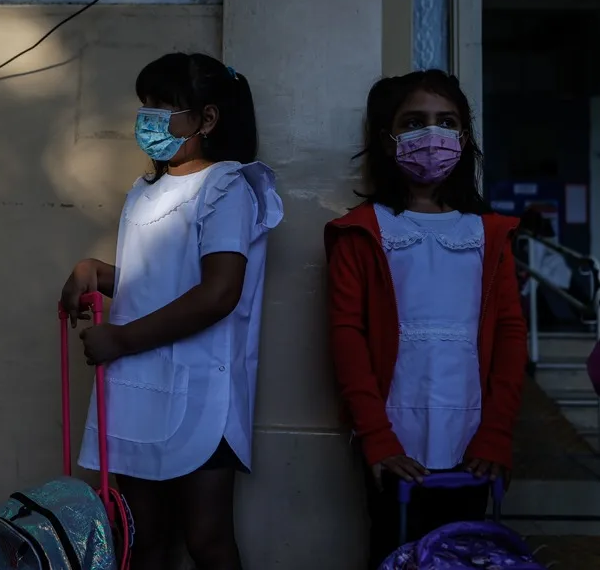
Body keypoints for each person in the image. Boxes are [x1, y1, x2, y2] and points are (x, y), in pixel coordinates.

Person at [59, 52, 283, 570]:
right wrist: (96, 269)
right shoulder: (146, 192)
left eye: (162, 107)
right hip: (139, 388)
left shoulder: (227, 187)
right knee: (142, 540)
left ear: (207, 119)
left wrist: (120, 339)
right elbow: (158, 282)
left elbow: (218, 292)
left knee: (206, 540)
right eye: (144, 106)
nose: (148, 119)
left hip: (203, 392)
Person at [323, 70, 527, 569]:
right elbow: (347, 337)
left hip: (472, 444)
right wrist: (377, 438)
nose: (432, 136)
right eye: (414, 122)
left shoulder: (489, 233)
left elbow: (510, 334)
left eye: (446, 122)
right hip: (394, 447)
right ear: (387, 139)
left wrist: (497, 433)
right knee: (394, 556)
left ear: (464, 137)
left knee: (462, 555)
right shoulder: (361, 232)